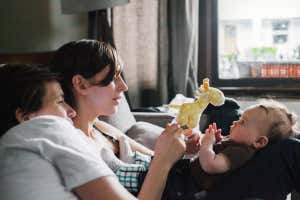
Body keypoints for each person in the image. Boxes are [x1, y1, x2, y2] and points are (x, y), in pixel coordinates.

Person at [0, 63, 186, 200]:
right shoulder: (46, 128)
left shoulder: (14, 151)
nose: (71, 111)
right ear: (25, 118)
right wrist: (163, 161)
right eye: (59, 101)